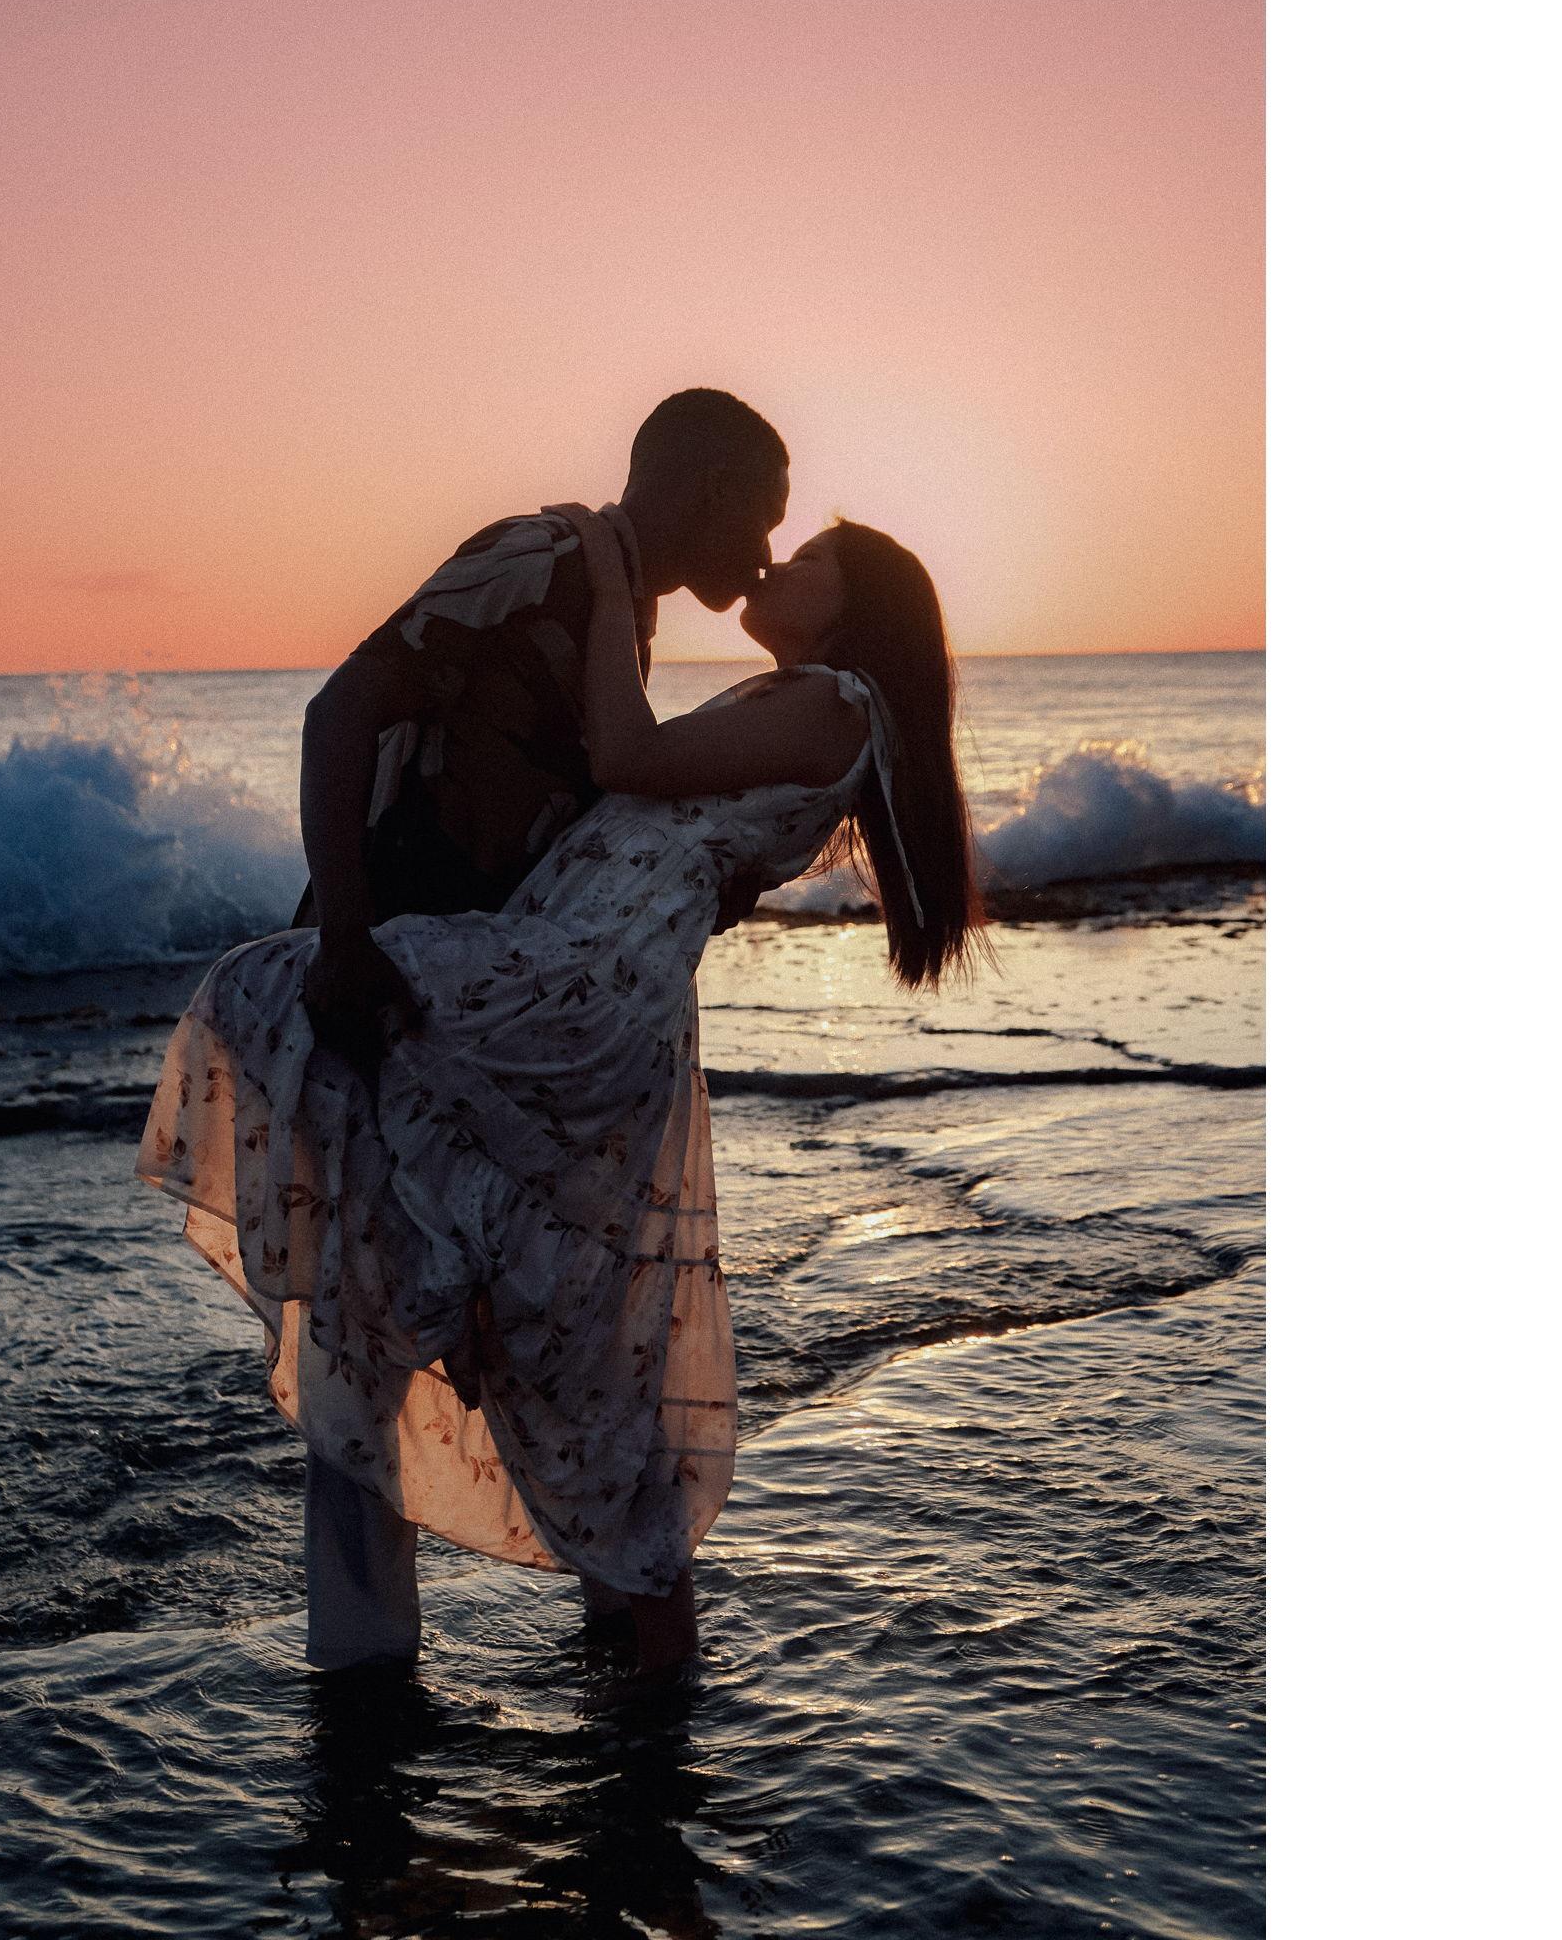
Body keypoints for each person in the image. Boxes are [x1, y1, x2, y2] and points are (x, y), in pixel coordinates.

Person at [136, 494, 991, 1678]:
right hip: (588, 969)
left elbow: (625, 756)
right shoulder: (814, 710)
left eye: (806, 558)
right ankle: (635, 1670)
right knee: (566, 1319)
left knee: (275, 989)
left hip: (580, 977)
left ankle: (632, 1671)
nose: (774, 565)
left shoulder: (831, 702)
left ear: (856, 608)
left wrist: (599, 580)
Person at [271, 388, 788, 1668]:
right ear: (704, 487)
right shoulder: (540, 557)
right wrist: (341, 941)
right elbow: (339, 715)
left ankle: (564, 1636)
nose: (766, 555)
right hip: (377, 1002)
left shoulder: (625, 612)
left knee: (484, 1336)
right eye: (760, 519)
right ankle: (365, 1690)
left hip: (463, 1039)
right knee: (363, 1369)